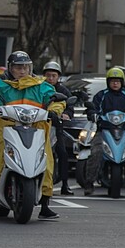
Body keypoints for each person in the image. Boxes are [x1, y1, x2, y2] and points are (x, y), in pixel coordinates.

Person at [0, 51, 65, 220]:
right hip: (6, 129)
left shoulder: (41, 85)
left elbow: (57, 100)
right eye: (18, 67)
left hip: (35, 130)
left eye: (25, 67)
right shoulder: (0, 85)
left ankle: (45, 203)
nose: (22, 71)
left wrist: (54, 110)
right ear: (10, 68)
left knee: (46, 162)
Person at [84, 67, 125, 196]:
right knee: (96, 153)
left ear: (122, 82)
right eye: (112, 81)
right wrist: (93, 114)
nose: (115, 83)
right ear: (108, 82)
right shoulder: (101, 95)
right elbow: (93, 108)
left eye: (118, 81)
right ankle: (89, 183)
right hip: (104, 131)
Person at [42, 61, 75, 195]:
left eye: (53, 76)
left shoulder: (63, 91)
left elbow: (69, 106)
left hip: (57, 127)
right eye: (48, 75)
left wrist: (66, 114)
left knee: (62, 152)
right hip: (39, 126)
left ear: (58, 77)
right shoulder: (39, 88)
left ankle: (65, 185)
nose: (50, 78)